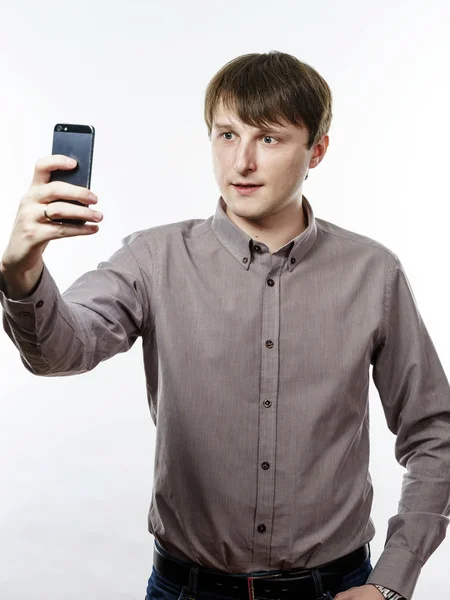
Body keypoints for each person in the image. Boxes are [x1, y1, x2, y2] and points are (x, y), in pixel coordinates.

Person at [1, 51, 449, 600]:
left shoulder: (374, 272)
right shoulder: (152, 257)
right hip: (185, 588)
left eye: (268, 138)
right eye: (227, 135)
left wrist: (392, 581)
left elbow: (436, 433)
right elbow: (60, 351)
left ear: (318, 151)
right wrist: (22, 272)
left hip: (334, 588)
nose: (241, 162)